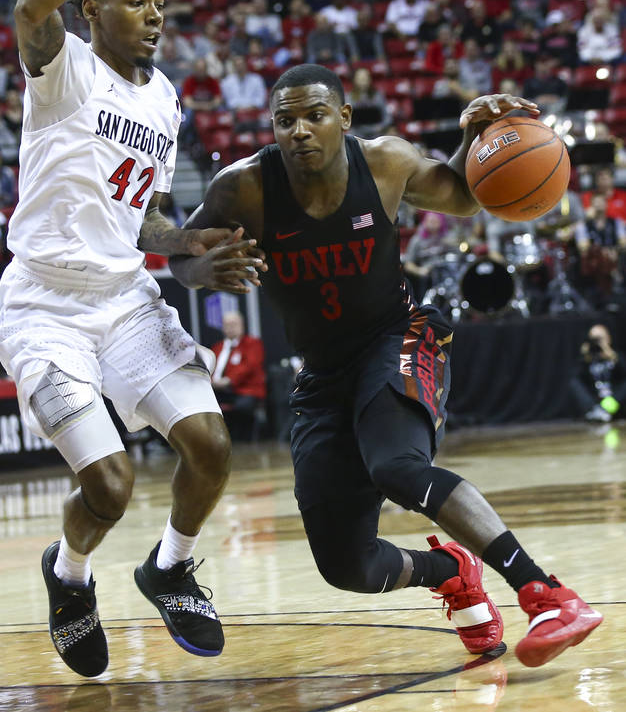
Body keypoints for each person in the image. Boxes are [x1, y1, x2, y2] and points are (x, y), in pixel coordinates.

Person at [170, 64, 602, 669]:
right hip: (321, 378)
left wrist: (474, 138)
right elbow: (183, 254)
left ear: (343, 118)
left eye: (314, 115)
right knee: (346, 567)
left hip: (398, 336)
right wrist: (201, 270)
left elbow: (462, 194)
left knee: (398, 466)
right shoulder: (243, 188)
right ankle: (448, 570)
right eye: (285, 119)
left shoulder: (385, 162)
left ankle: (546, 593)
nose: (299, 130)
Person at [0, 0, 264, 679]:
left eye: (158, 1)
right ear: (93, 10)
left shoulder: (165, 99)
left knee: (210, 445)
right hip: (43, 304)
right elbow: (27, 5)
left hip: (123, 295)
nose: (153, 14)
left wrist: (190, 247)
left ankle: (170, 566)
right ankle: (68, 575)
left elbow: (133, 215)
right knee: (107, 483)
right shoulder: (63, 67)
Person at [209, 310, 266, 441]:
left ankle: (243, 441)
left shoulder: (252, 343)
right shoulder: (217, 347)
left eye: (234, 324)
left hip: (245, 390)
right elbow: (209, 368)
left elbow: (249, 366)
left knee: (243, 406)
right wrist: (212, 381)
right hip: (217, 390)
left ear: (242, 325)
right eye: (227, 324)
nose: (230, 327)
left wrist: (228, 381)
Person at [570, 324, 626, 423]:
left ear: (608, 338)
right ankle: (595, 410)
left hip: (615, 400)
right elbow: (576, 378)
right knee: (574, 382)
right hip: (595, 400)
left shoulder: (616, 356)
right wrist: (585, 357)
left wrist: (611, 354)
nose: (596, 342)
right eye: (593, 339)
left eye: (599, 338)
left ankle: (606, 410)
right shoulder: (586, 359)